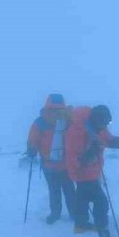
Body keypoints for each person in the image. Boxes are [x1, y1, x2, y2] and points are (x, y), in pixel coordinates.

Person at [65, 104, 119, 237]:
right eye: (105, 123)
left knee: (82, 199)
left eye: (108, 123)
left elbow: (108, 140)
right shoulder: (75, 132)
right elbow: (73, 160)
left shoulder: (98, 127)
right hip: (82, 174)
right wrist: (90, 155)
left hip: (92, 172)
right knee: (101, 201)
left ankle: (80, 225)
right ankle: (102, 228)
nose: (105, 126)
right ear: (96, 120)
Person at [26, 94, 76, 224]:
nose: (56, 113)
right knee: (64, 190)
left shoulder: (42, 121)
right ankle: (66, 214)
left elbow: (33, 139)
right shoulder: (66, 119)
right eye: (54, 109)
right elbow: (33, 138)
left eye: (58, 110)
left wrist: (31, 149)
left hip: (57, 164)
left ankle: (60, 214)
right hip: (58, 165)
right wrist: (32, 148)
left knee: (61, 190)